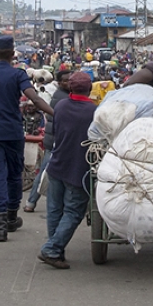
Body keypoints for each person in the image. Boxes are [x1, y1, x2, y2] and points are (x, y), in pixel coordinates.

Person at [0, 35, 54, 242]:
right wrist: (55, 114)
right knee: (13, 174)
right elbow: (35, 98)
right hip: (12, 131)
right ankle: (12, 215)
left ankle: (0, 224)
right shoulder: (18, 75)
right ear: (13, 54)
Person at [37, 72, 97, 269]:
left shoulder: (61, 106)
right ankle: (52, 249)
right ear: (90, 89)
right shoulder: (93, 111)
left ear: (70, 88)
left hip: (57, 164)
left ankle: (56, 251)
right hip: (78, 169)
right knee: (73, 211)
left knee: (55, 210)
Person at [25, 69, 72, 213]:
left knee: (46, 171)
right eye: (65, 80)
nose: (68, 82)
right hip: (55, 140)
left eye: (70, 80)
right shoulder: (62, 97)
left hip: (55, 139)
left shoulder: (63, 95)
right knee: (45, 172)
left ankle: (31, 202)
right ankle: (31, 202)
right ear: (59, 82)